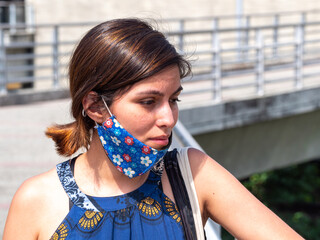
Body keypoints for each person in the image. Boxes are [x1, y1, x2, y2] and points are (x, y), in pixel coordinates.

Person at [3, 18, 303, 240]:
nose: (169, 118)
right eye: (148, 101)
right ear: (95, 106)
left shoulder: (192, 174)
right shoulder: (37, 200)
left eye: (173, 99)